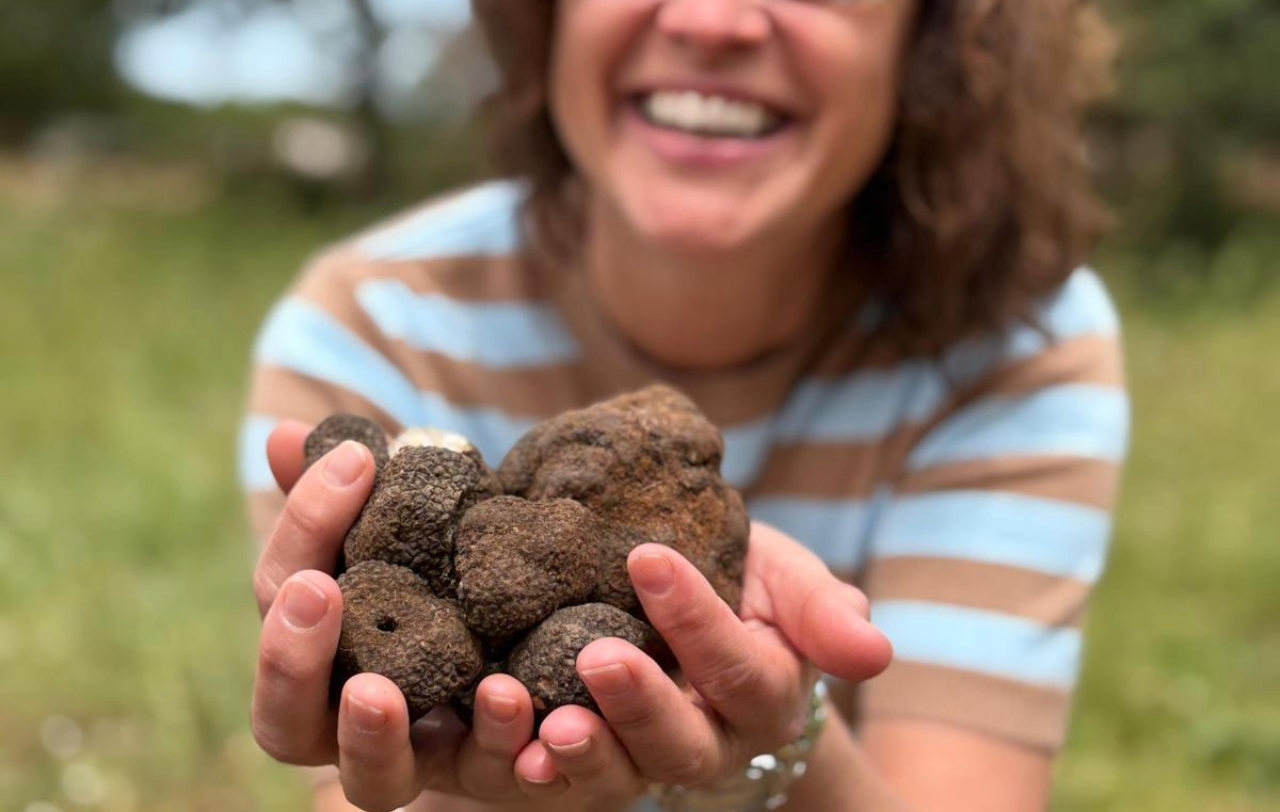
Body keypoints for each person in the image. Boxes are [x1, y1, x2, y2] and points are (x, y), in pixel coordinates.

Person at [240, 1, 1129, 810]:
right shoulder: (372, 321)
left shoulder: (1014, 342)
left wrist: (776, 737)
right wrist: (464, 765)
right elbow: (371, 761)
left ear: (935, 37)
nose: (712, 19)